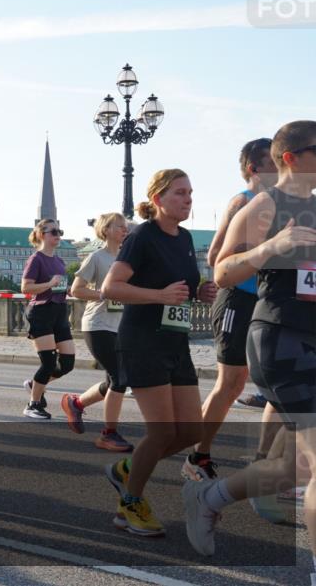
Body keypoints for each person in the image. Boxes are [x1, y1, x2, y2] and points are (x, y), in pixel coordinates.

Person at [181, 121, 316, 566]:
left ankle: (210, 497)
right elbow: (222, 271)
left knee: (294, 466)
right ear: (291, 158)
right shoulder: (264, 205)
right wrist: (268, 248)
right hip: (281, 339)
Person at [101, 169, 219, 537]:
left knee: (191, 430)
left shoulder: (185, 238)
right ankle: (130, 503)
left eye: (190, 193)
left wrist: (200, 293)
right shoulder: (142, 236)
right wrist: (159, 296)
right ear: (158, 199)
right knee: (162, 431)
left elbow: (179, 286)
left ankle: (127, 469)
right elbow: (110, 287)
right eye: (180, 193)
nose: (188, 199)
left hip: (175, 341)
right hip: (142, 341)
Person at [185, 138, 279, 481]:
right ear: (254, 169)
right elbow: (214, 258)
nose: (281, 167)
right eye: (273, 162)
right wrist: (264, 251)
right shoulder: (243, 201)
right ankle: (199, 455)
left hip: (270, 302)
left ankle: (267, 463)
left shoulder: (282, 205)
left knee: (280, 385)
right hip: (238, 299)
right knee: (231, 384)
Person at [63, 212, 132, 451]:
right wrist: (103, 294)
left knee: (114, 379)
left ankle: (76, 404)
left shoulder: (126, 260)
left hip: (120, 326)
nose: (124, 229)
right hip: (97, 324)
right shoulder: (97, 257)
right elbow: (76, 290)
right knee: (120, 378)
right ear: (105, 230)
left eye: (125, 226)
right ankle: (108, 434)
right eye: (119, 226)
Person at [21, 219, 75, 419]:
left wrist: (67, 289)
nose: (58, 235)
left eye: (60, 231)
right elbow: (26, 287)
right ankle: (33, 404)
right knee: (49, 363)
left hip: (60, 311)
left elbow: (57, 287)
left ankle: (35, 384)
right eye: (53, 232)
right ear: (41, 234)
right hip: (41, 312)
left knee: (67, 363)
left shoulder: (59, 261)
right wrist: (50, 283)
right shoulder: (36, 259)